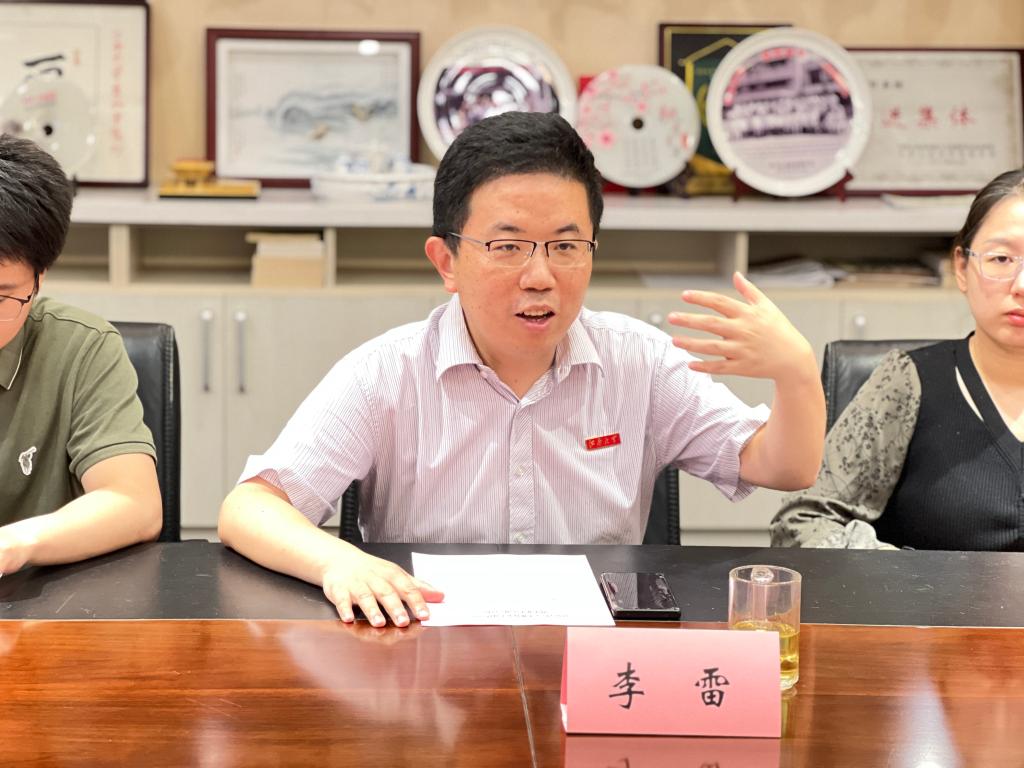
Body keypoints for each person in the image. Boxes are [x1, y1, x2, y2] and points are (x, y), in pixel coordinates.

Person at [220, 111, 825, 626]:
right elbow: (251, 508)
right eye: (507, 246)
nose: (540, 277)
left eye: (566, 246)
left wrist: (796, 374)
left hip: (592, 659)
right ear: (447, 261)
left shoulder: (640, 362)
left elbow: (786, 467)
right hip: (427, 657)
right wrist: (340, 561)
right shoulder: (388, 373)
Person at [772, 169, 1024, 550]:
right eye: (1001, 258)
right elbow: (801, 522)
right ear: (961, 267)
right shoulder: (907, 383)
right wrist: (911, 575)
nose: (1020, 285)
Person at [0, 134, 163, 571]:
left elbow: (134, 502)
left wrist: (13, 544)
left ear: (39, 278)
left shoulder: (82, 348)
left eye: (1, 298)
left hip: (42, 598)